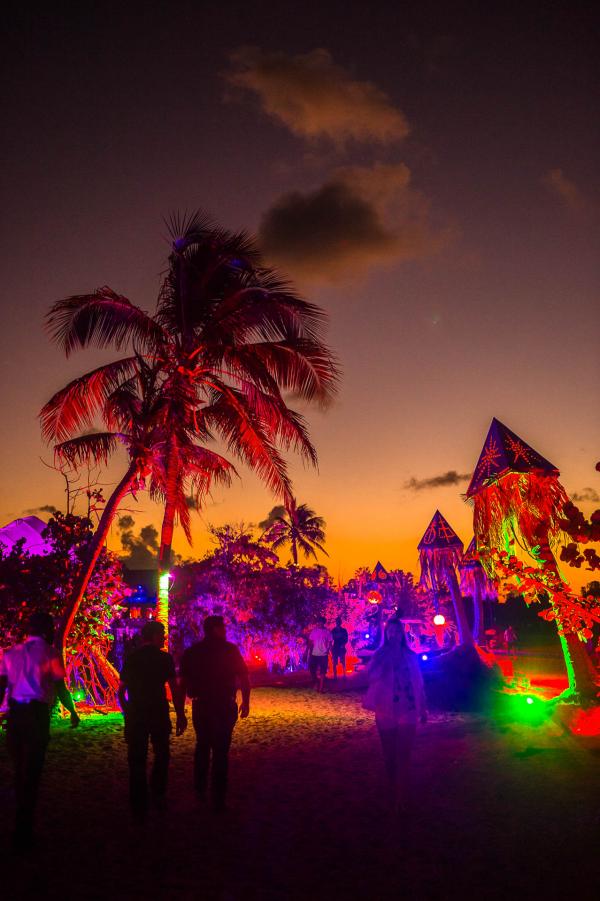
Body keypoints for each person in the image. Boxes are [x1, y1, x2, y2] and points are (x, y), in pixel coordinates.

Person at [0, 610, 80, 849]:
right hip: (36, 715)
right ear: (47, 629)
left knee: (18, 768)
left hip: (15, 714)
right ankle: (24, 829)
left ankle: (18, 824)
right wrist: (73, 711)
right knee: (32, 771)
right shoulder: (49, 652)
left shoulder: (10, 652)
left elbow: (2, 685)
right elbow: (59, 686)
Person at [178, 615, 250, 812]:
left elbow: (182, 684)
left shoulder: (193, 652)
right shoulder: (229, 650)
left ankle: (200, 790)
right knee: (221, 751)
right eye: (223, 628)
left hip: (202, 705)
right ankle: (218, 797)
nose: (225, 631)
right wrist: (246, 701)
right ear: (215, 629)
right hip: (224, 705)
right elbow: (243, 677)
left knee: (202, 746)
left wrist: (180, 711)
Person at [118, 620, 187, 819]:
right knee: (162, 755)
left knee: (137, 759)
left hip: (137, 714)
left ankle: (138, 802)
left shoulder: (132, 658)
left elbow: (121, 692)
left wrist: (127, 711)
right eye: (162, 634)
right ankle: (158, 793)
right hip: (158, 712)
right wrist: (180, 713)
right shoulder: (164, 659)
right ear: (154, 635)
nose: (164, 637)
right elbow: (174, 689)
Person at [363, 618, 427, 813]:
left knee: (404, 755)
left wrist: (422, 707)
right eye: (390, 631)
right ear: (386, 634)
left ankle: (401, 795)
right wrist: (380, 667)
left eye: (397, 631)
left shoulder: (411, 655)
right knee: (390, 755)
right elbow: (370, 678)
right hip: (385, 708)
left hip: (407, 708)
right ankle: (392, 789)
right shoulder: (379, 655)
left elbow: (418, 682)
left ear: (402, 634)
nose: (394, 635)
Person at [307, 616, 332, 692]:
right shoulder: (314, 631)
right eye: (319, 622)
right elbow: (310, 642)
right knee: (312, 670)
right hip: (314, 654)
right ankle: (317, 683)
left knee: (323, 672)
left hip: (323, 654)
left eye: (321, 622)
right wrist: (307, 652)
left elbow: (330, 642)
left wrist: (328, 650)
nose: (320, 623)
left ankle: (321, 688)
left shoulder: (327, 632)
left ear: (323, 623)